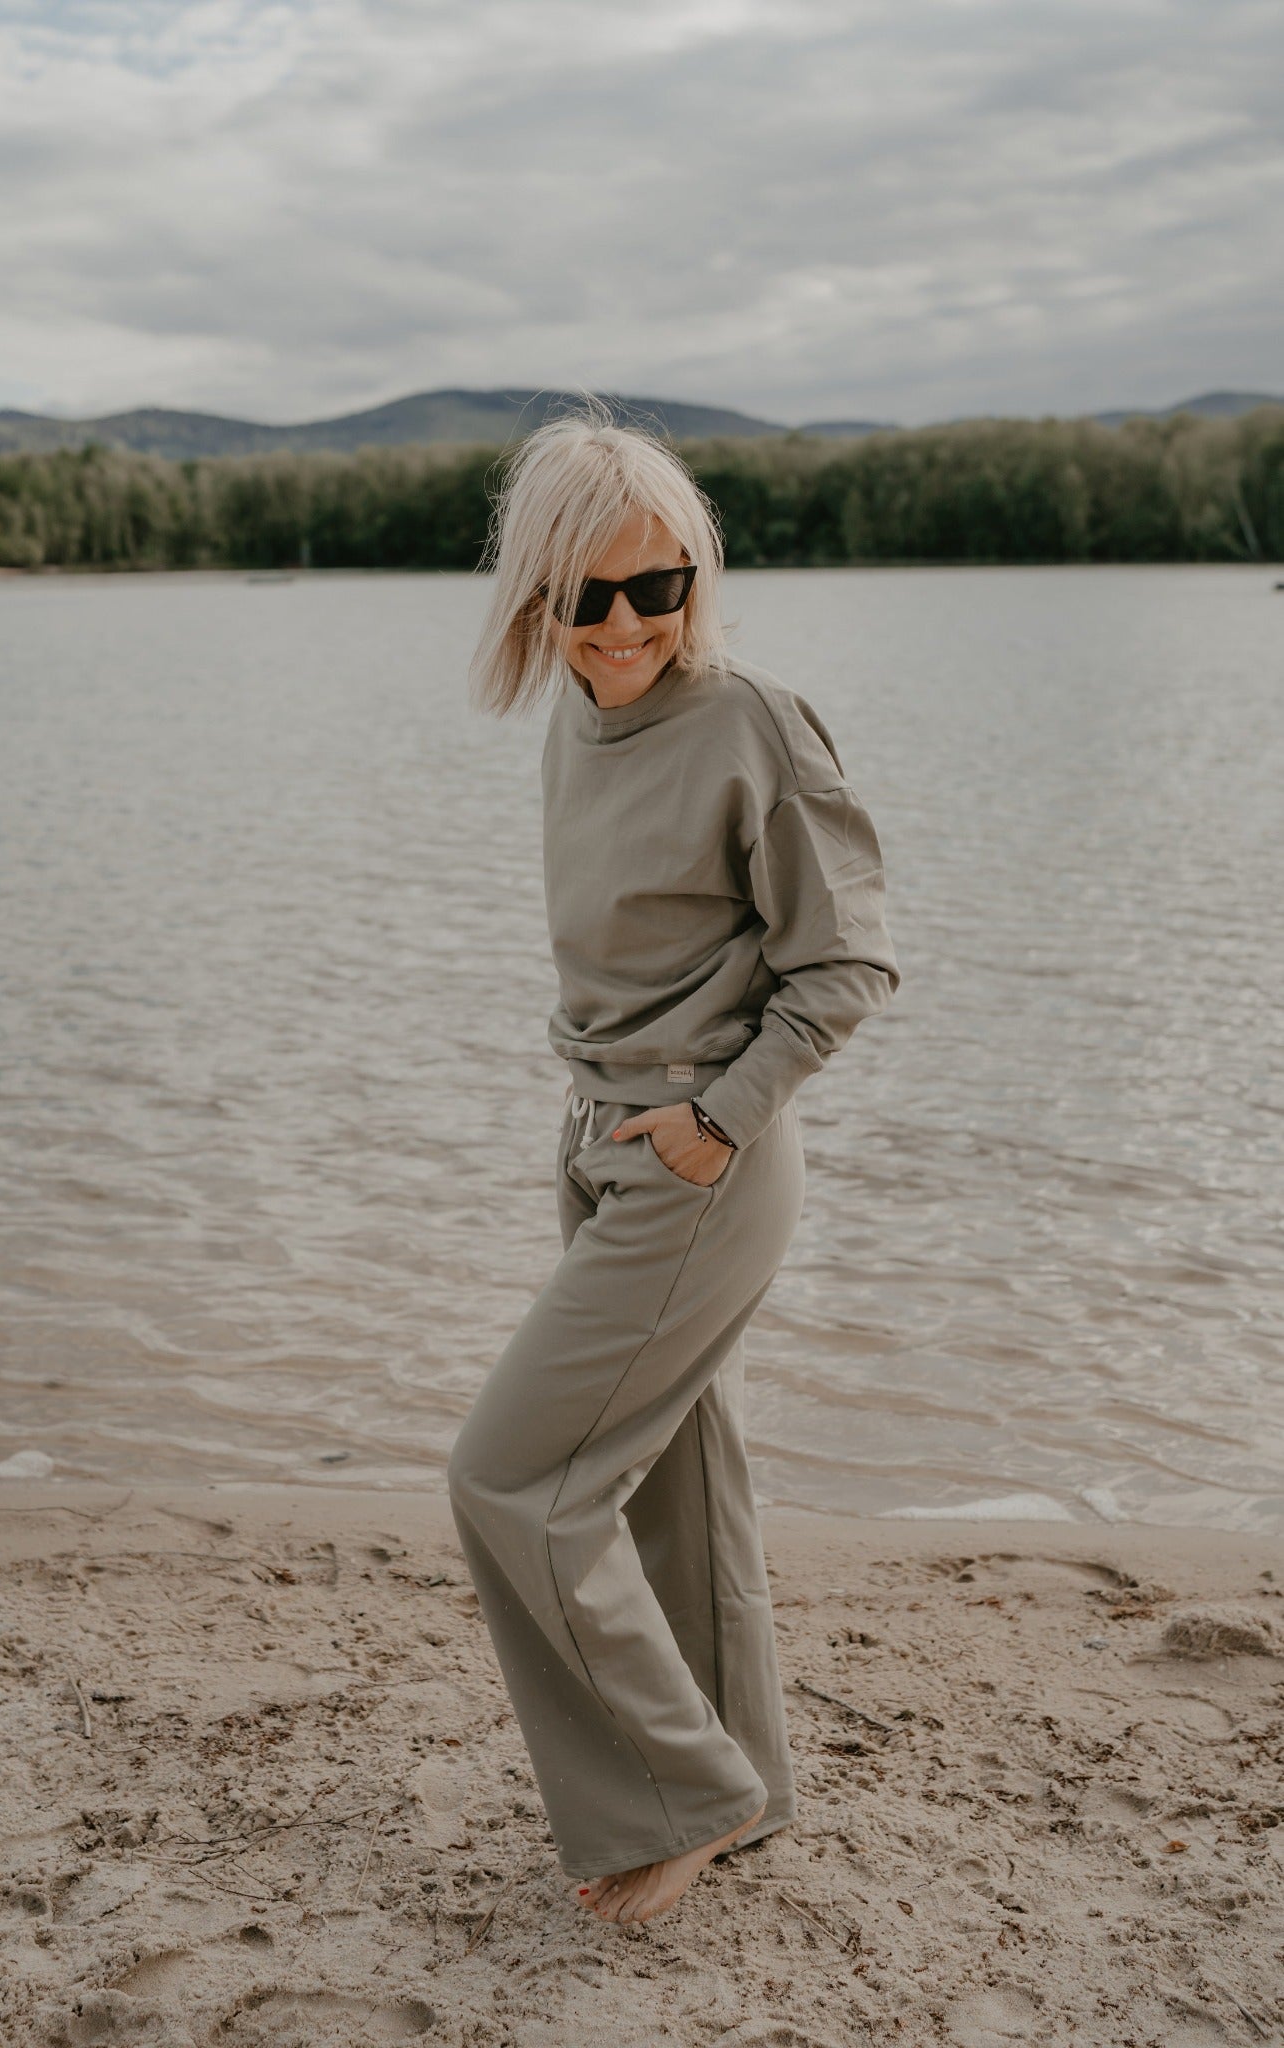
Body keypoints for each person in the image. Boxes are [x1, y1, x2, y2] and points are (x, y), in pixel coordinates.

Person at [447, 402, 900, 1927]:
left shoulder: (751, 722)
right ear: (537, 594)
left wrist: (715, 1119)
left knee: (511, 1479)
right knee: (680, 1493)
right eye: (593, 594)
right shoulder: (575, 718)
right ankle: (743, 1784)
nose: (631, 621)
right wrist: (601, 1123)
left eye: (662, 586)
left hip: (703, 1158)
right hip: (598, 1138)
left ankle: (683, 1792)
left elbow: (846, 964)